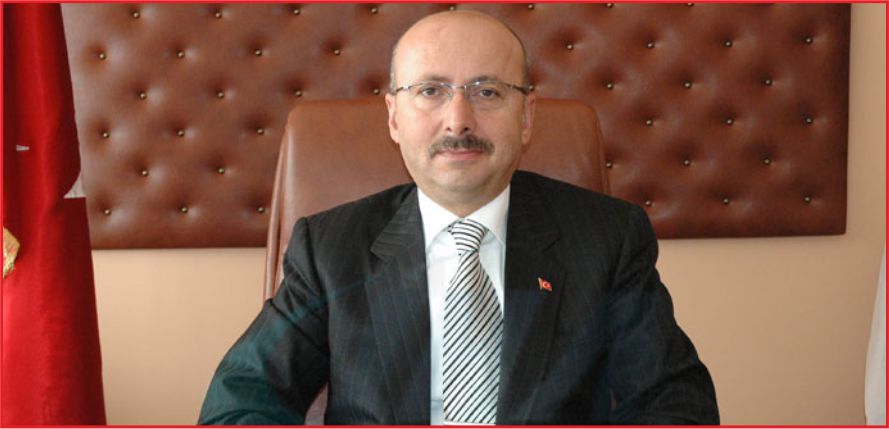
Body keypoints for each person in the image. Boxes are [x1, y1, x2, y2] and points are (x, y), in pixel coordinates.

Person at [199, 10, 718, 425]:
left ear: (527, 116)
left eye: (487, 92)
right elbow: (239, 400)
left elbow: (674, 402)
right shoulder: (331, 247)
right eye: (431, 91)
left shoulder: (607, 238)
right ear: (394, 117)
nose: (458, 121)